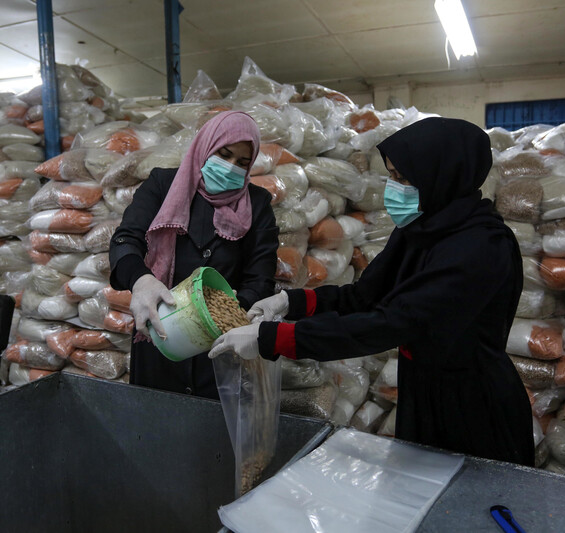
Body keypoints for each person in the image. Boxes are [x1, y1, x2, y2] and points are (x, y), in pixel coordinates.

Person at [209, 117, 535, 466]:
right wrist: (291, 301)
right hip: (422, 390)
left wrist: (271, 338)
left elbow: (390, 323)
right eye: (392, 176)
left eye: (403, 178)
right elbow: (364, 297)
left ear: (441, 176)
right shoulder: (421, 228)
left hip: (471, 404)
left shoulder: (480, 247)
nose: (394, 188)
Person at [109, 110, 279, 399]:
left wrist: (226, 314)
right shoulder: (163, 185)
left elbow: (261, 277)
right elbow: (126, 239)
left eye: (242, 162)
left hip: (220, 350)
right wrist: (141, 281)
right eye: (223, 154)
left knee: (210, 435)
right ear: (205, 146)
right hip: (159, 339)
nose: (229, 167)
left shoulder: (257, 204)